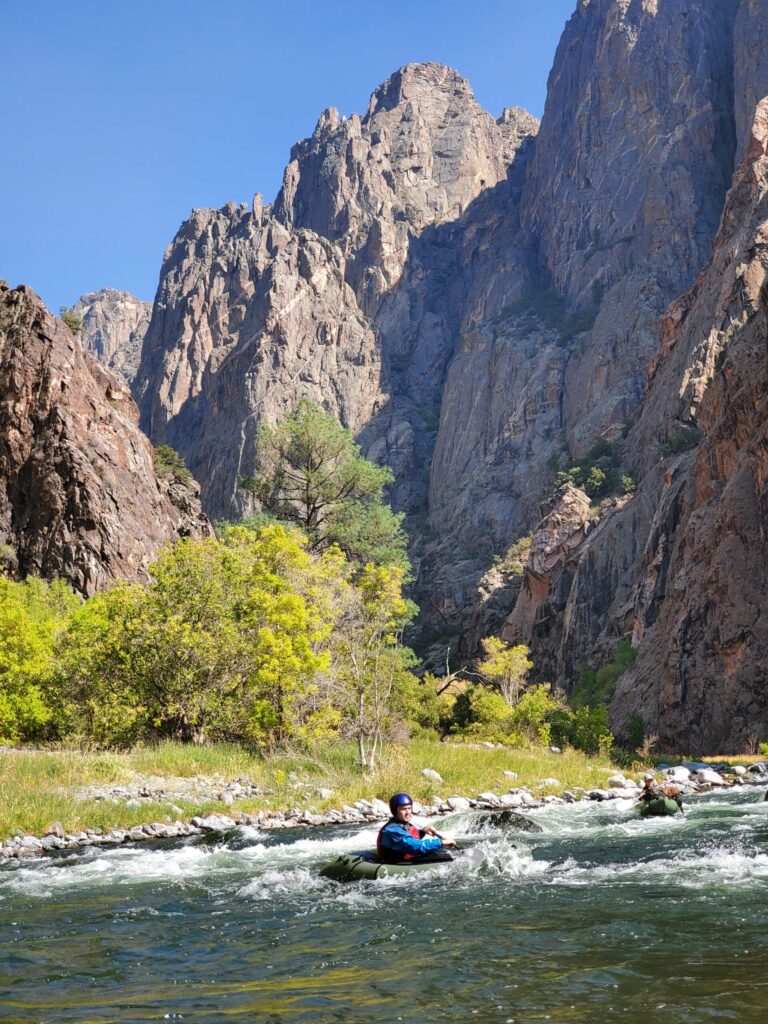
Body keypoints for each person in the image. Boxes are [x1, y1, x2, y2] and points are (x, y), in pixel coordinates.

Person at [376, 793, 457, 864]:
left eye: (409, 808)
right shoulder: (392, 830)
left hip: (407, 859)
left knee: (443, 853)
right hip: (396, 863)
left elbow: (409, 837)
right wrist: (441, 842)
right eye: (403, 809)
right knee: (443, 857)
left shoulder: (402, 823)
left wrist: (423, 832)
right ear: (394, 811)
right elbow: (414, 846)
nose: (408, 812)